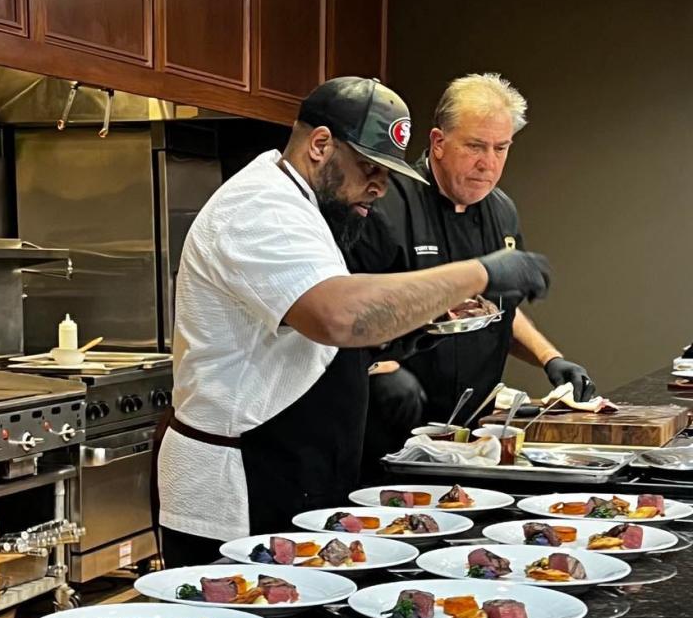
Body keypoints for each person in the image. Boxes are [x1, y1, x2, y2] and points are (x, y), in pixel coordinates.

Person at [156, 76, 551, 566]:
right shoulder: (259, 208)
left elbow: (312, 340)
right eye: (368, 168)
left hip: (294, 471)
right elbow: (336, 316)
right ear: (321, 145)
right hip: (239, 490)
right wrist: (480, 273)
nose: (380, 186)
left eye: (387, 173)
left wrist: (411, 335)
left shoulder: (307, 207)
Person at [352, 72, 594, 471]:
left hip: (469, 430)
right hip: (388, 424)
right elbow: (348, 305)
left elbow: (501, 309)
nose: (489, 163)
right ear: (438, 143)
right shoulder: (385, 202)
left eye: (501, 148)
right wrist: (381, 371)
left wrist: (551, 358)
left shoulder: (502, 211)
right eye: (475, 146)